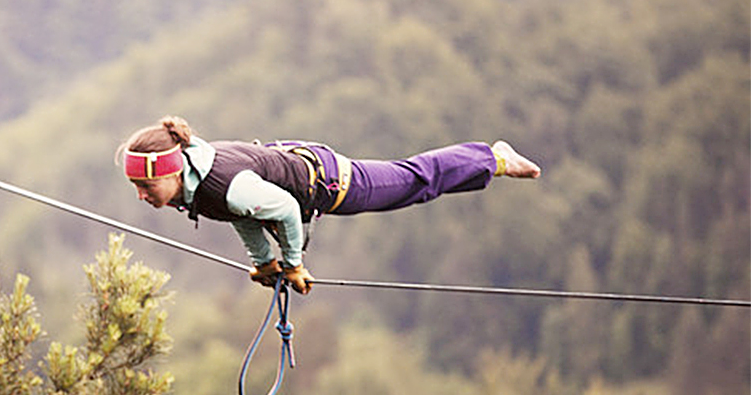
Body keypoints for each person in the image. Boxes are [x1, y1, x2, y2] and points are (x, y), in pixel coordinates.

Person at [117, 116, 541, 294]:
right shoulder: (195, 180)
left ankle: (494, 158)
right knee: (415, 180)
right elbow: (240, 215)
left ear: (171, 171)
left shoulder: (222, 184)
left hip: (333, 180)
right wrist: (265, 262)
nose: (142, 195)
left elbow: (280, 208)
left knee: (416, 181)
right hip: (298, 164)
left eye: (146, 185)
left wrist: (293, 262)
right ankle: (490, 159)